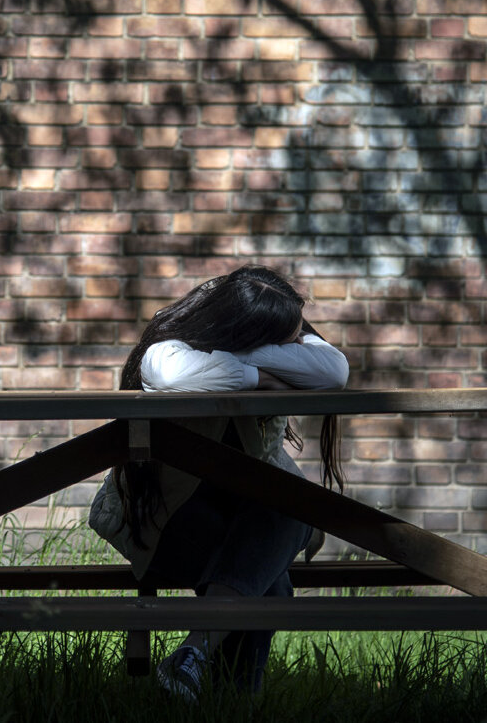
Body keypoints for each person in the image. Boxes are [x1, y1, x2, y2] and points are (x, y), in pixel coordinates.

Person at [88, 265, 350, 699]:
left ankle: (192, 657)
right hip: (166, 526)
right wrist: (261, 377)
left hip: (248, 518)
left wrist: (240, 359)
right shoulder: (167, 347)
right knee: (271, 574)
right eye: (284, 336)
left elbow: (334, 371)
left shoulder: (241, 347)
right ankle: (230, 697)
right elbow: (169, 376)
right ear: (247, 328)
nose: (294, 343)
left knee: (287, 513)